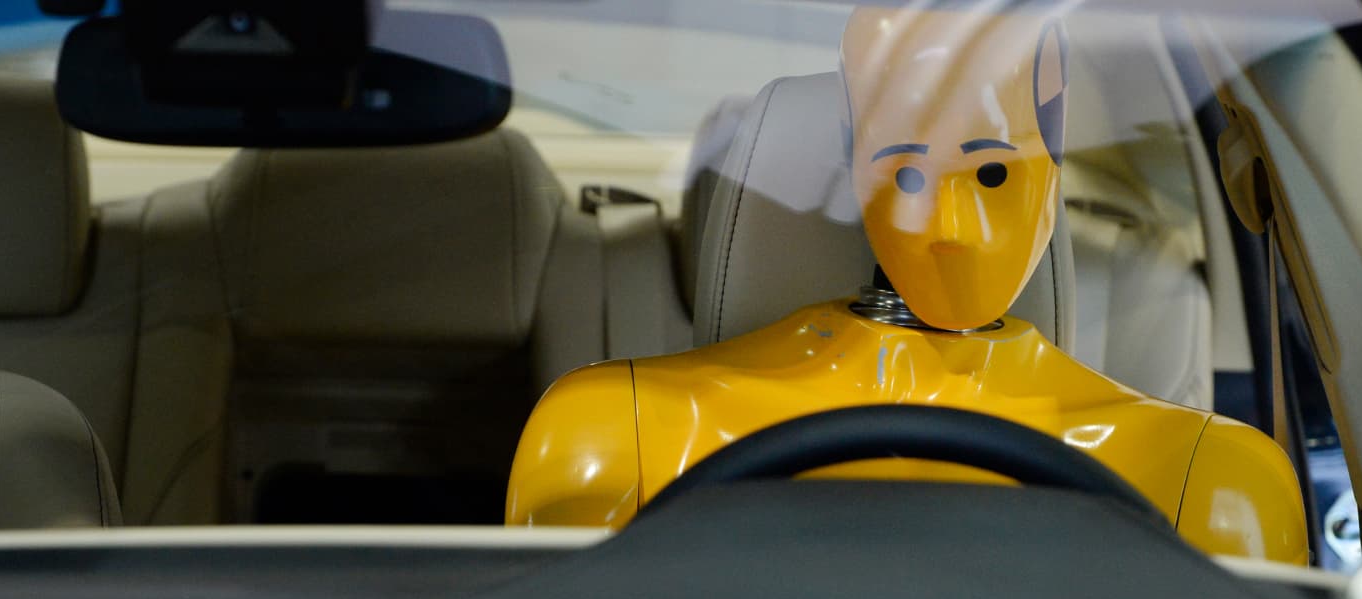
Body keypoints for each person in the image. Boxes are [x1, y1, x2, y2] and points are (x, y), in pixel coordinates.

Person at [505, 4, 1307, 564]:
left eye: (991, 169)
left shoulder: (1215, 481)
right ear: (855, 170)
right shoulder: (606, 439)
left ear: (1053, 157)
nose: (947, 228)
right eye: (907, 174)